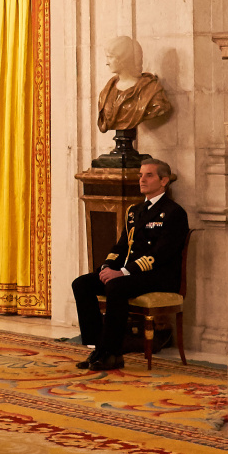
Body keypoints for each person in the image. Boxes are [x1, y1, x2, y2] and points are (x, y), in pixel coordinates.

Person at [72, 159, 189, 371]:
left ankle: (113, 353)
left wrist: (123, 272)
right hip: (132, 275)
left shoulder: (173, 213)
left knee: (116, 287)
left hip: (159, 276)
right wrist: (107, 267)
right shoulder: (135, 211)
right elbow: (122, 246)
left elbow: (160, 254)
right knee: (82, 284)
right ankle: (99, 347)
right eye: (141, 175)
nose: (142, 179)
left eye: (149, 175)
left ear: (164, 181)